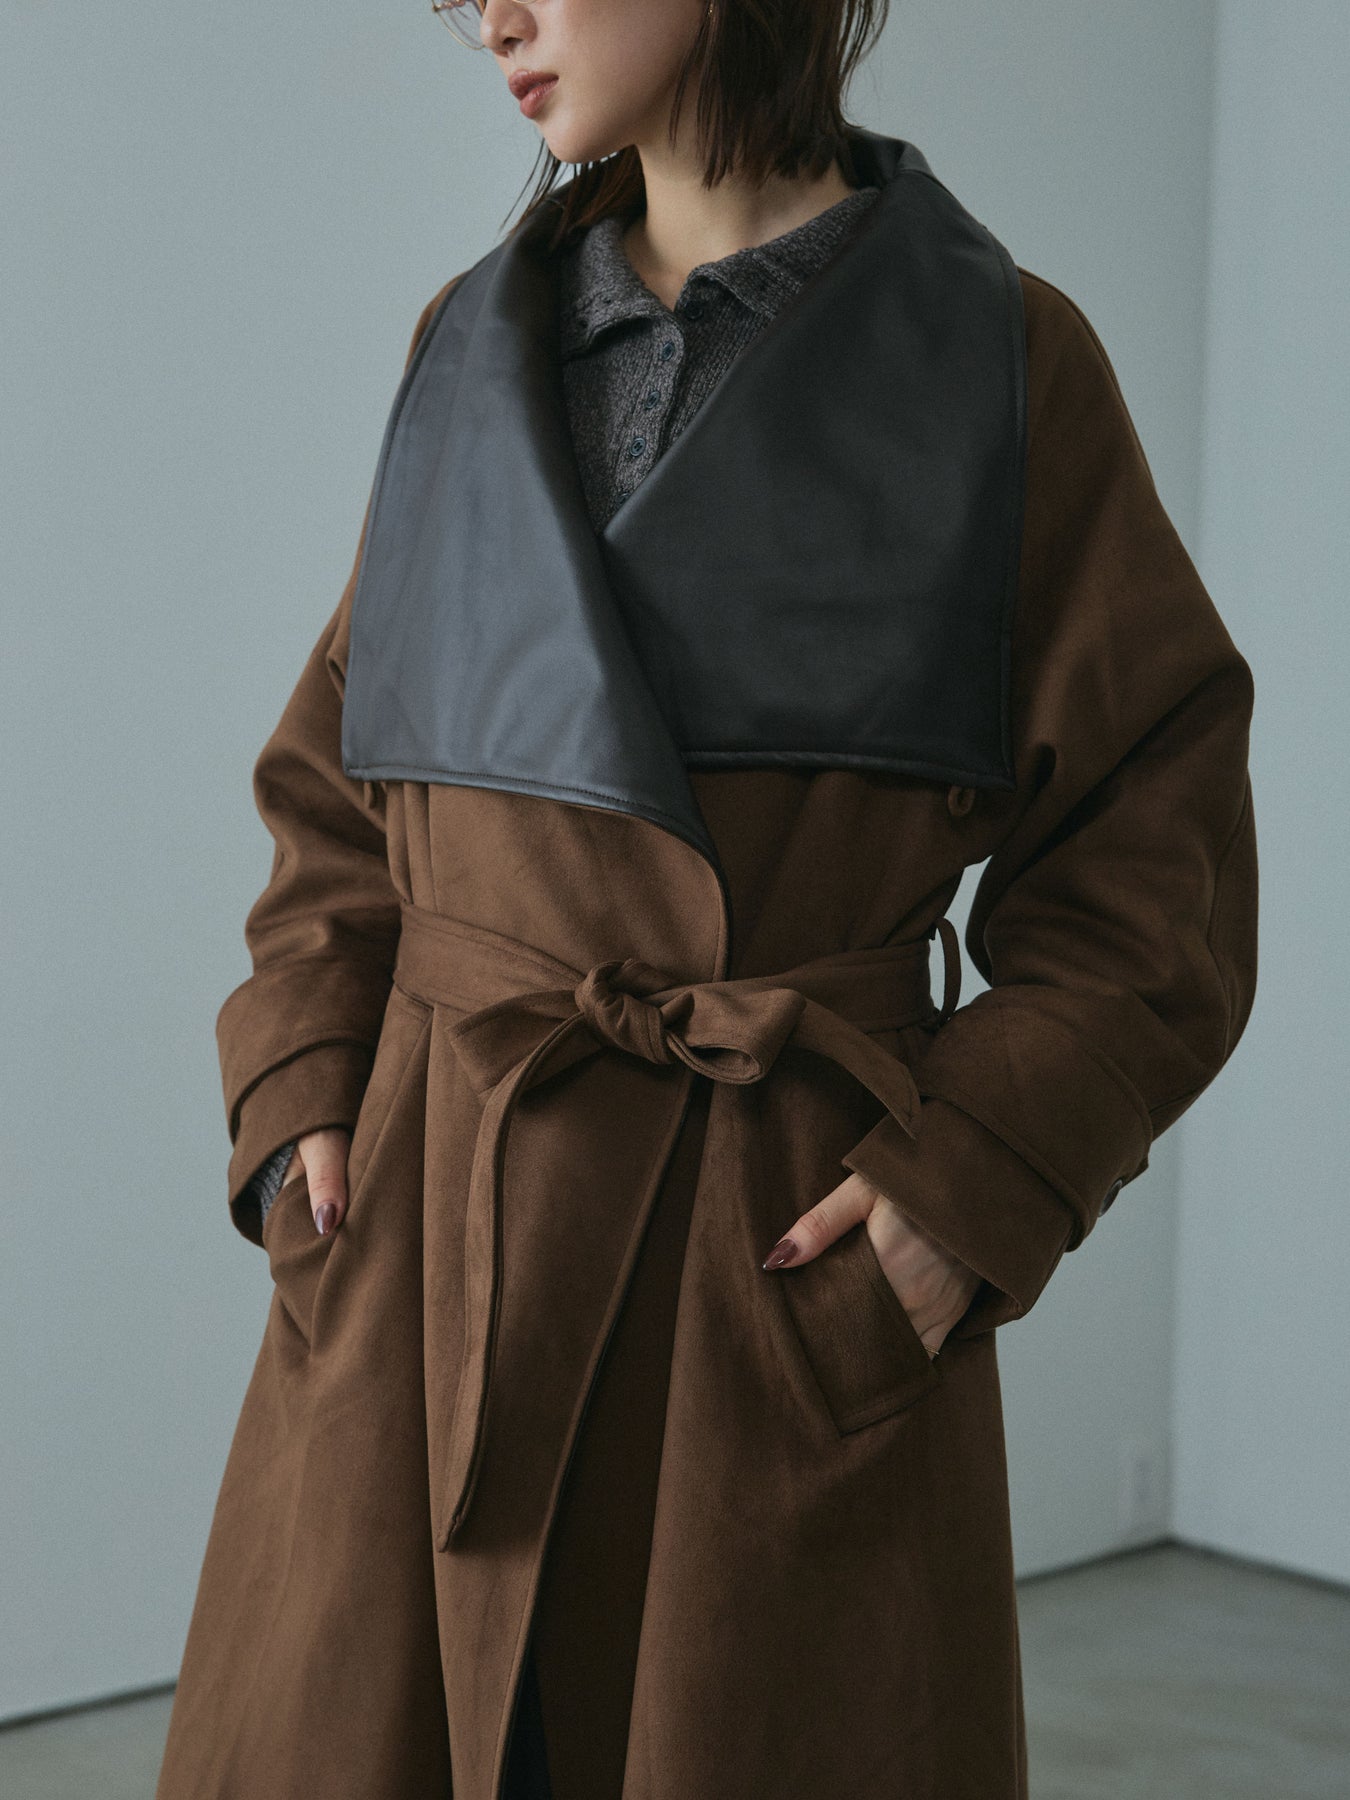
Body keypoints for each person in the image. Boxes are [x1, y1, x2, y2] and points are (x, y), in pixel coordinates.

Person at [155, 0, 1259, 1796]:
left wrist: (968, 1188)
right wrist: (299, 1100)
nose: (489, 15)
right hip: (430, 1235)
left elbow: (1157, 849)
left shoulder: (996, 358)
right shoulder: (473, 339)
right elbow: (344, 787)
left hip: (769, 1252)